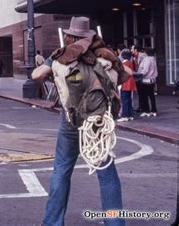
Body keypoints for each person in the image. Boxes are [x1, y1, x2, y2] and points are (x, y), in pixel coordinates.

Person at [32, 16, 129, 226]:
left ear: (69, 36)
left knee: (61, 170)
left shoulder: (61, 56)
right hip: (98, 122)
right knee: (107, 174)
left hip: (71, 121)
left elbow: (36, 75)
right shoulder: (105, 55)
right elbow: (128, 73)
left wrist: (53, 70)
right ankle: (115, 223)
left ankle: (52, 222)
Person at [136, 47, 158, 117]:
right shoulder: (153, 59)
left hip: (145, 80)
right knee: (152, 96)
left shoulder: (147, 59)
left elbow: (145, 70)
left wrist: (139, 75)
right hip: (152, 80)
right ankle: (154, 110)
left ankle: (147, 111)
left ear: (147, 53)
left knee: (144, 96)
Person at [117, 49, 136, 122]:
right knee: (129, 99)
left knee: (124, 100)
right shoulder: (130, 63)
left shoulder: (123, 64)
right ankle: (130, 115)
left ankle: (125, 115)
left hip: (125, 83)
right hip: (130, 83)